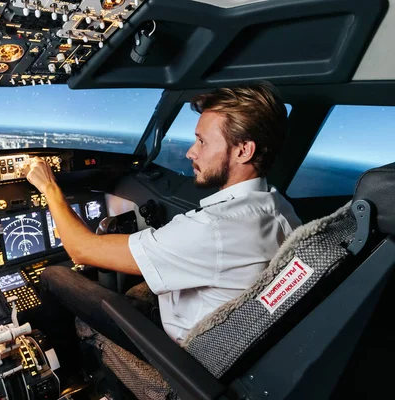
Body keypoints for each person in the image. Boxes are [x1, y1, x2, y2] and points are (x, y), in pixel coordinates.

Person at [26, 81, 301, 362]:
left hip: (174, 352)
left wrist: (49, 187)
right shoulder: (279, 208)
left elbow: (80, 249)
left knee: (53, 276)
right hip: (225, 337)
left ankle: (68, 371)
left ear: (244, 151)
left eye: (202, 141)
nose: (190, 152)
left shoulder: (214, 229)